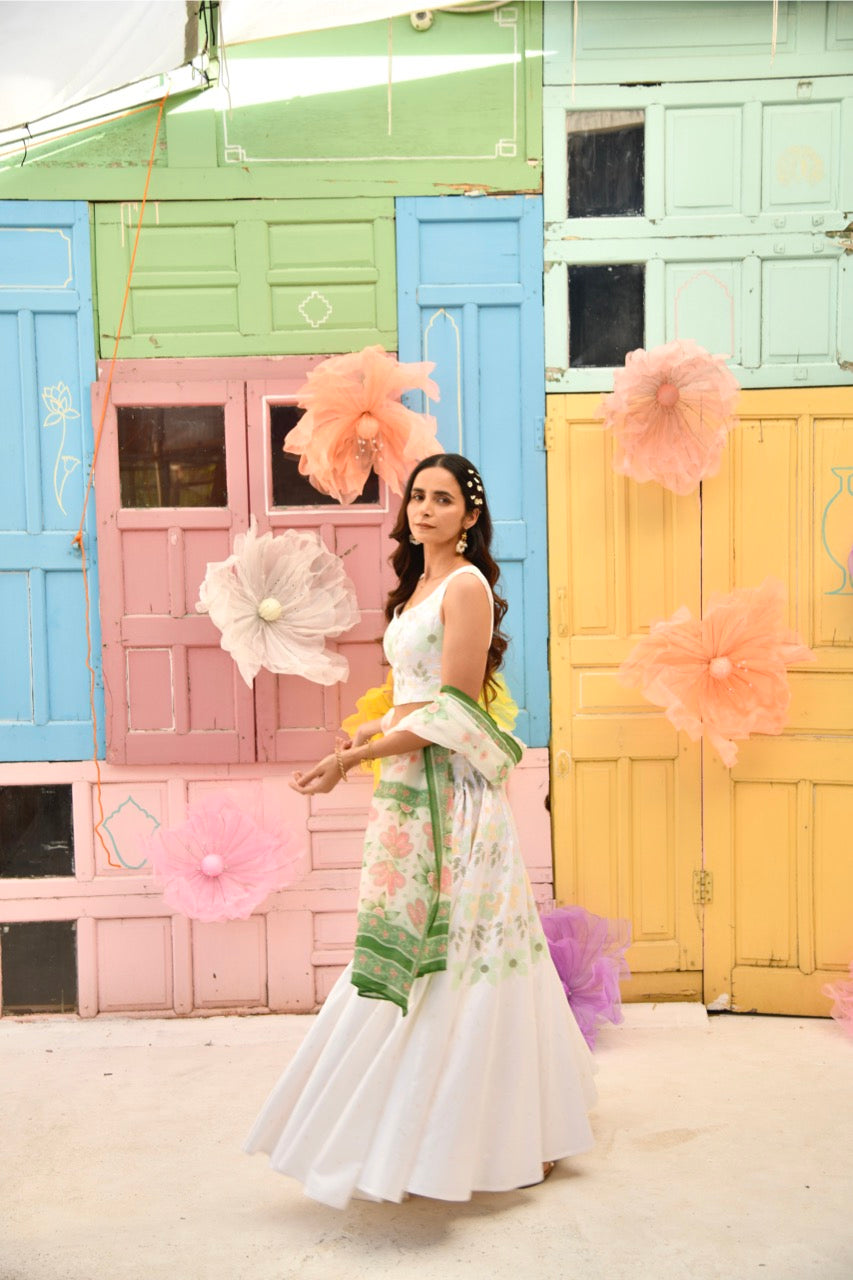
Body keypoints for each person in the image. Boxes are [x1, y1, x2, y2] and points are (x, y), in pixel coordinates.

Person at [243, 453, 596, 1207]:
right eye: (417, 496)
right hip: (406, 790)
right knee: (412, 944)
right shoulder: (415, 592)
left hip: (455, 799)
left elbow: (454, 712)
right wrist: (352, 748)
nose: (424, 509)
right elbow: (408, 700)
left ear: (470, 518)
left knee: (469, 949)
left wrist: (363, 755)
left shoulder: (465, 588)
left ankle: (504, 1136)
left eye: (443, 500)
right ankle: (413, 1129)